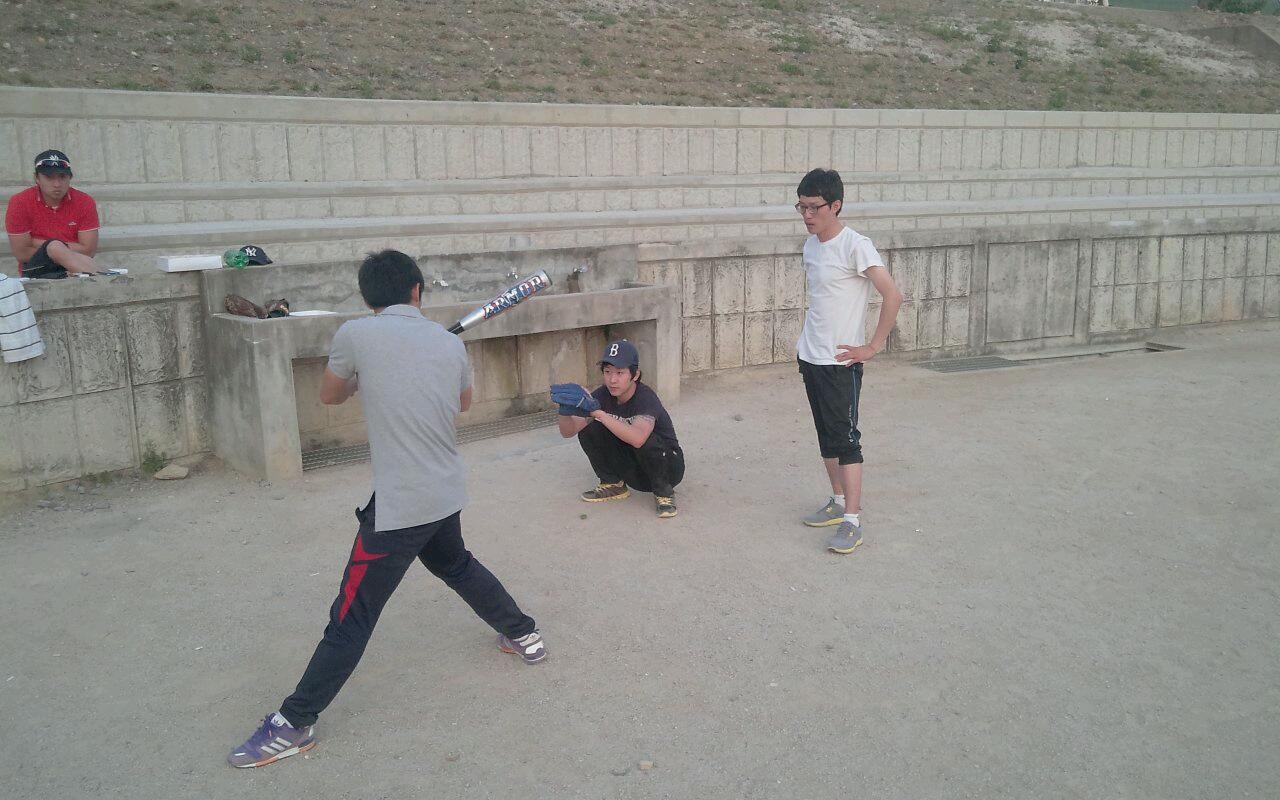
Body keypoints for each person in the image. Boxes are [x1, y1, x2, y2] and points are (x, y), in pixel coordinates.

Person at [228, 250, 546, 769]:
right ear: (417, 291)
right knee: (456, 565)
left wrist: (366, 377)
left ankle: (295, 722)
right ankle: (523, 633)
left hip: (401, 507)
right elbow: (462, 404)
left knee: (351, 615)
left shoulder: (356, 335)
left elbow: (330, 395)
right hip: (444, 491)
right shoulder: (448, 344)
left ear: (368, 296)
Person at [794, 168, 904, 555]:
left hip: (841, 362)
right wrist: (805, 346)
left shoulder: (857, 245)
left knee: (846, 440)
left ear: (835, 205)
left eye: (814, 207)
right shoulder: (811, 246)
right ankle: (838, 501)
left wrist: (871, 346)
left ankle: (852, 521)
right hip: (811, 355)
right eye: (801, 207)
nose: (807, 215)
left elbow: (892, 295)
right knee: (826, 437)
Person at [551, 339, 685, 518]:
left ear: (635, 375)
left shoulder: (646, 398)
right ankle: (613, 484)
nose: (612, 380)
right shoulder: (602, 395)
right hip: (635, 470)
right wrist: (565, 411)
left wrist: (598, 413)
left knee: (645, 439)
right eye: (607, 372)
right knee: (589, 427)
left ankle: (664, 493)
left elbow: (638, 439)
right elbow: (568, 432)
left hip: (668, 468)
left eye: (620, 373)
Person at [4, 150, 102, 278]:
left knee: (55, 246)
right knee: (55, 246)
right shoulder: (20, 202)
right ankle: (103, 276)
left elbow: (88, 251)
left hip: (76, 267)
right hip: (38, 269)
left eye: (62, 177)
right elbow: (22, 253)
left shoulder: (84, 201)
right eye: (49, 177)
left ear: (70, 177)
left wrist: (42, 244)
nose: (57, 184)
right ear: (36, 178)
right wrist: (54, 248)